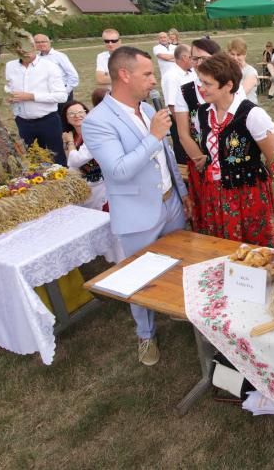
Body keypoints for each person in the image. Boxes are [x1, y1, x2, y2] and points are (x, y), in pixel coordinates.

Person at [82, 46, 190, 366]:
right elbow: (118, 170)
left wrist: (182, 191)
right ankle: (146, 334)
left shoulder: (145, 108)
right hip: (138, 214)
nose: (153, 80)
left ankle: (176, 307)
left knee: (177, 264)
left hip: (171, 204)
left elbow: (165, 156)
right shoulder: (97, 121)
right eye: (147, 74)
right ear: (124, 75)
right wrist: (154, 136)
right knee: (139, 276)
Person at [193, 53, 274, 245]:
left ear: (228, 85)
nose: (201, 88)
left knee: (253, 248)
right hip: (214, 192)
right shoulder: (202, 113)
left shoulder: (252, 115)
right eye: (201, 82)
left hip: (248, 194)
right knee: (220, 246)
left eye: (207, 84)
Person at [173, 37, 221, 231]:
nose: (199, 63)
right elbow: (183, 133)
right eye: (195, 58)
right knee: (207, 210)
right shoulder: (185, 91)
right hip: (199, 159)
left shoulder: (230, 85)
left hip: (228, 160)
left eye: (204, 58)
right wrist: (201, 159)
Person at [5, 41, 68, 165]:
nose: (24, 51)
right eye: (20, 47)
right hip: (23, 122)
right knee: (35, 161)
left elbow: (62, 96)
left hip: (48, 121)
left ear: (34, 47)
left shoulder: (49, 66)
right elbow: (8, 87)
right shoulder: (10, 66)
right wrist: (8, 96)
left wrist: (31, 97)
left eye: (27, 47)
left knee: (57, 159)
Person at [61, 100, 107, 211]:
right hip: (83, 185)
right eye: (71, 113)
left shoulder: (93, 133)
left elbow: (75, 160)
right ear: (66, 118)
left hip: (100, 185)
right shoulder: (72, 135)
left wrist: (69, 142)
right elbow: (70, 162)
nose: (76, 115)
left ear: (87, 113)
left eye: (80, 112)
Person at [162, 45, 193, 164]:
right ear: (185, 57)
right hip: (179, 120)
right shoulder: (171, 76)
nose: (194, 59)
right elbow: (172, 105)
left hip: (190, 119)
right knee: (183, 153)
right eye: (192, 56)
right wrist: (184, 127)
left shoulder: (190, 72)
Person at [34, 34, 79, 102]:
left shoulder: (59, 56)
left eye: (43, 42)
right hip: (46, 95)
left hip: (61, 92)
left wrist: (65, 92)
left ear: (49, 42)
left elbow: (73, 76)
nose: (40, 44)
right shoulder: (36, 58)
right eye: (37, 42)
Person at [227, 38, 259, 104]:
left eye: (238, 55)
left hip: (246, 108)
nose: (235, 58)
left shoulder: (251, 72)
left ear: (244, 55)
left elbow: (240, 95)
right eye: (232, 54)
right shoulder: (226, 70)